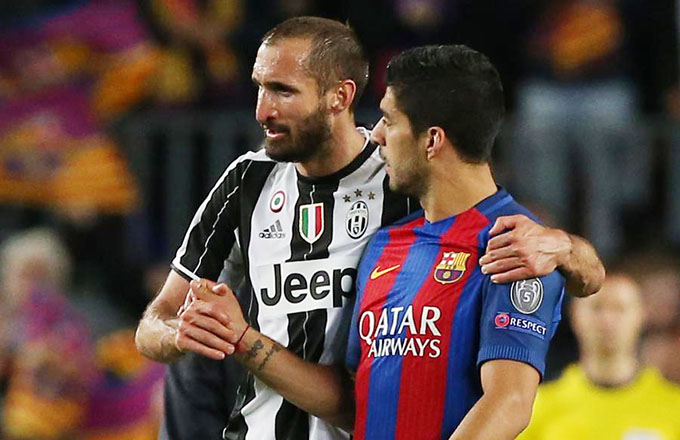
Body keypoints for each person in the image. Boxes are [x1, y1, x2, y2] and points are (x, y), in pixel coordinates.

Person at [135, 17, 605, 440]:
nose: (262, 110)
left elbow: (510, 398)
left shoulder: (419, 190)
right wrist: (200, 335)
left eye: (283, 90)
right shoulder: (262, 188)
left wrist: (565, 247)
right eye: (259, 87)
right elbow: (353, 400)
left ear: (339, 96)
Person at [518, 273, 680, 439]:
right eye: (596, 308)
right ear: (574, 315)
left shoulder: (675, 408)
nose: (607, 320)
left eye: (620, 308)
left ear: (642, 314)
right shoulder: (536, 408)